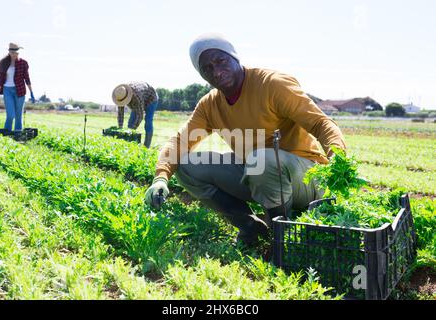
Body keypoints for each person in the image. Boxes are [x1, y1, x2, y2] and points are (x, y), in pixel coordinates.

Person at [144, 33, 347, 247]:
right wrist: (161, 177)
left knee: (261, 159)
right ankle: (251, 227)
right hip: (259, 171)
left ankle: (280, 238)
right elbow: (179, 142)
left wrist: (338, 164)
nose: (216, 71)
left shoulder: (272, 85)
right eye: (207, 68)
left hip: (305, 178)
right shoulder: (210, 104)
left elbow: (322, 124)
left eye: (220, 61)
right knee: (185, 165)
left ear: (235, 57)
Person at [0, 43, 35, 132]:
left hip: (20, 90)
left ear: (18, 52)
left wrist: (31, 92)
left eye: (16, 52)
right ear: (9, 52)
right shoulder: (3, 63)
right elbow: (0, 78)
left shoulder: (23, 63)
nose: (14, 54)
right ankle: (7, 132)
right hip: (7, 90)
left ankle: (18, 134)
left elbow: (27, 78)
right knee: (11, 114)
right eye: (12, 52)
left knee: (18, 115)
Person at [112, 82, 159, 148]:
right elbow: (120, 114)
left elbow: (140, 115)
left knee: (148, 121)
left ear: (127, 97)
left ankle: (146, 146)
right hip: (140, 98)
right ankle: (129, 143)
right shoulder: (120, 95)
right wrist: (120, 128)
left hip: (151, 99)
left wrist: (132, 130)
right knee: (130, 123)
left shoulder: (136, 95)